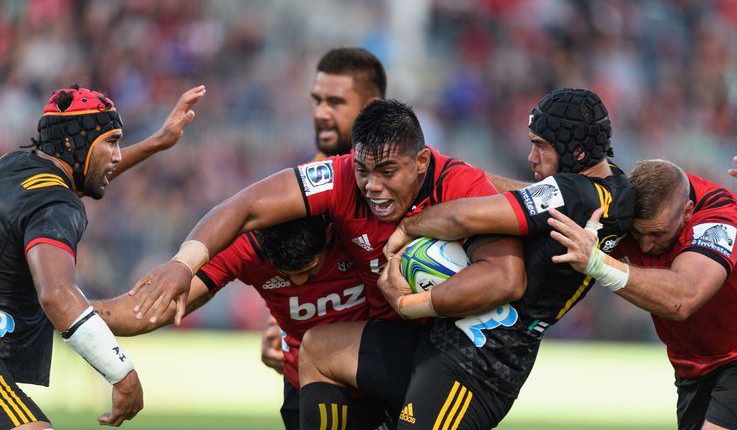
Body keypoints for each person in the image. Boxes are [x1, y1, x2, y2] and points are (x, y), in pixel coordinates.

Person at [127, 98, 525, 426]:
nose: (372, 186)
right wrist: (183, 263)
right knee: (315, 349)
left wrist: (409, 304)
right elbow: (245, 205)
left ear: (421, 161)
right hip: (400, 346)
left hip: (468, 357)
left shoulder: (460, 184)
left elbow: (508, 279)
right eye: (364, 170)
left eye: (387, 172)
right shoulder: (338, 179)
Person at [360, 88, 634, 428]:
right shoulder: (616, 190)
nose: (532, 157)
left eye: (540, 145)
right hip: (470, 346)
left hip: (478, 361)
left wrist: (406, 230)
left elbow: (463, 218)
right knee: (321, 353)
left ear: (576, 151)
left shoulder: (573, 193)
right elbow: (529, 195)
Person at [0, 84, 204, 429]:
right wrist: (122, 374)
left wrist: (158, 141)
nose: (118, 155)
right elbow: (57, 295)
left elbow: (84, 177)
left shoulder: (16, 165)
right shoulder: (57, 204)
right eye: (111, 142)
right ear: (70, 146)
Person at [93, 216, 387, 429]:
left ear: (328, 235)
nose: (297, 281)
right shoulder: (244, 249)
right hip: (309, 390)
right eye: (284, 273)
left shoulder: (355, 225)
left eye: (309, 270)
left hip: (380, 383)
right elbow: (152, 310)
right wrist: (70, 312)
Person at [547, 158, 737, 430]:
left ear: (687, 212)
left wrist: (596, 262)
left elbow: (683, 297)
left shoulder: (721, 219)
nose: (646, 244)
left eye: (657, 234)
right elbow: (536, 207)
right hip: (691, 368)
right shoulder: (620, 209)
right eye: (639, 234)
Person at [260, 46, 389, 377]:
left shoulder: (407, 175)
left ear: (370, 108)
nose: (320, 112)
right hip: (313, 363)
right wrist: (275, 321)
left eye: (335, 102)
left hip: (386, 357)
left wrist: (540, 193)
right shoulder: (303, 184)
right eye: (317, 100)